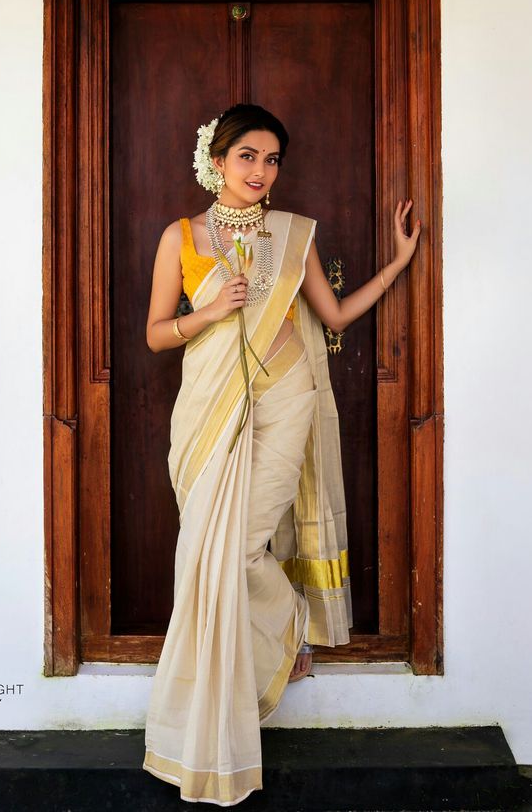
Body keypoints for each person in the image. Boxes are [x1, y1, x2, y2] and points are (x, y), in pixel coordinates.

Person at [143, 104, 421, 805]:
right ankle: (286, 626)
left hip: (285, 397)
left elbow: (332, 317)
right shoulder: (180, 238)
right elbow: (154, 335)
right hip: (208, 412)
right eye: (248, 157)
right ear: (217, 158)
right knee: (202, 554)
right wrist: (209, 312)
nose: (261, 173)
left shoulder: (293, 235)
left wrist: (399, 262)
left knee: (235, 551)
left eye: (271, 161)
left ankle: (264, 657)